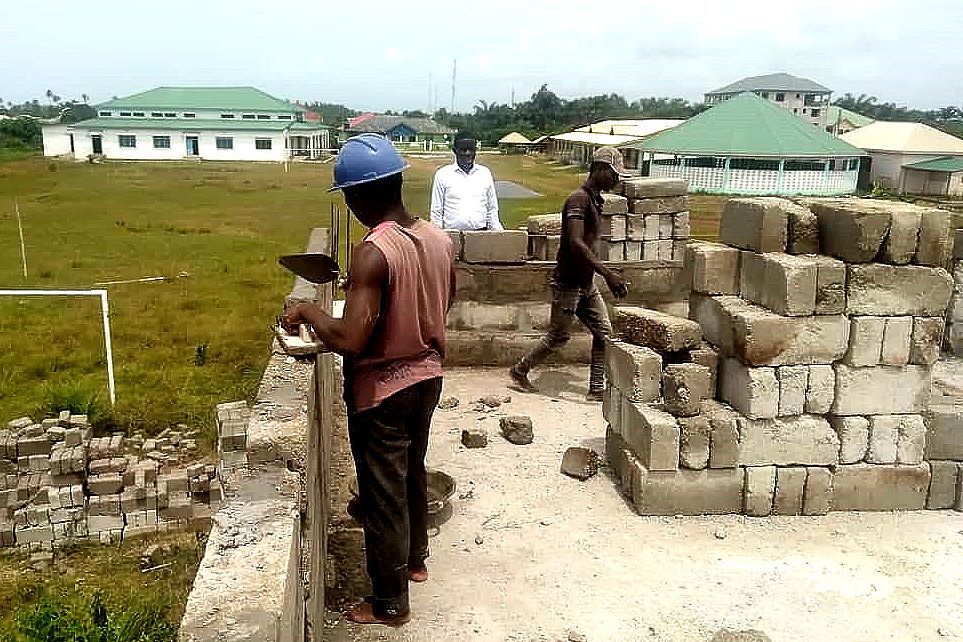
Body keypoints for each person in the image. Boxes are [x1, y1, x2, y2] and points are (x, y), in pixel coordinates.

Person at [282, 133, 454, 627]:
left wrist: (310, 309)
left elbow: (353, 338)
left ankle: (390, 603)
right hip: (428, 376)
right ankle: (415, 559)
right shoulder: (438, 238)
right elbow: (441, 302)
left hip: (383, 391)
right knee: (412, 471)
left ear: (357, 196)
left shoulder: (374, 252)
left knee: (381, 498)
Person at [509, 146, 630, 401]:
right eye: (613, 174)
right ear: (599, 169)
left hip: (586, 283)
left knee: (604, 332)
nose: (616, 180)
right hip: (568, 283)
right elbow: (576, 243)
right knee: (558, 337)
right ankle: (520, 370)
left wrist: (599, 275)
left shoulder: (597, 201)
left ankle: (596, 388)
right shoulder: (578, 199)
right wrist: (608, 274)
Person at [429, 135, 503, 230]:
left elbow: (492, 209)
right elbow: (436, 211)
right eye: (464, 150)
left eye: (471, 150)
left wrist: (499, 234)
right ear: (455, 151)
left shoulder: (485, 173)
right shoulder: (443, 174)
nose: (468, 153)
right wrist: (438, 238)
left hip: (481, 235)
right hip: (452, 235)